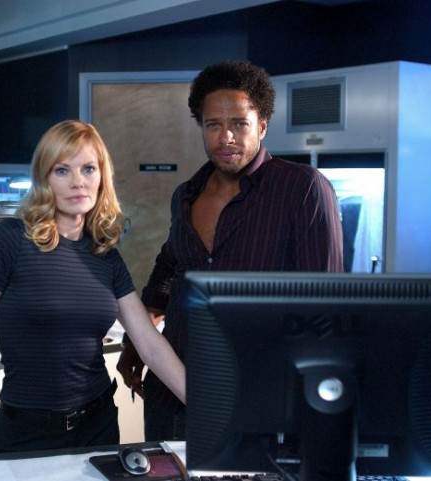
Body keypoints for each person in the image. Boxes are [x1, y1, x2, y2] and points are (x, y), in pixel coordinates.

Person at [0, 120, 186, 480]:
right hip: (25, 433)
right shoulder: (9, 241)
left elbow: (150, 345)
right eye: (62, 170)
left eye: (88, 169)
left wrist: (209, 410)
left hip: (98, 428)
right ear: (45, 179)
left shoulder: (106, 255)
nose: (78, 182)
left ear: (101, 177)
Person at [117, 60, 344, 442]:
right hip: (172, 393)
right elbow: (168, 270)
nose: (226, 137)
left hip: (256, 397)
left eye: (239, 123)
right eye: (213, 125)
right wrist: (137, 344)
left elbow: (323, 303)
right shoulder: (186, 195)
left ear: (262, 126)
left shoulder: (302, 188)